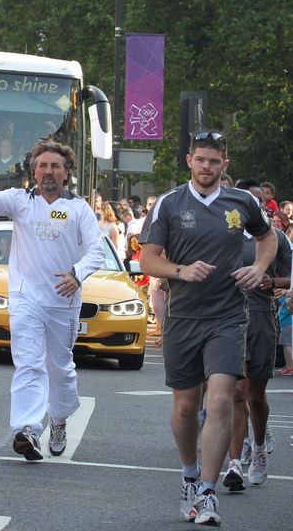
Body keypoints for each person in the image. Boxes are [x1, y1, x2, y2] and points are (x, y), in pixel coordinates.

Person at [139, 131, 276, 526]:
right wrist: (180, 270)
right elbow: (148, 260)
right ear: (189, 161)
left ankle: (208, 491)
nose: (206, 167)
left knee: (220, 400)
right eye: (200, 160)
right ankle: (188, 474)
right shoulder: (169, 203)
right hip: (184, 318)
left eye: (214, 162)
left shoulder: (242, 202)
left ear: (224, 166)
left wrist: (259, 268)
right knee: (185, 408)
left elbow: (268, 239)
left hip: (228, 316)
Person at [0, 139, 104, 461]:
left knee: (61, 367)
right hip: (25, 296)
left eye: (55, 166)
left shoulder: (78, 208)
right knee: (29, 362)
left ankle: (59, 418)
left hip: (63, 300)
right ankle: (27, 428)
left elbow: (96, 250)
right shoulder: (19, 201)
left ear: (66, 173)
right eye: (42, 166)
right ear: (33, 172)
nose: (48, 172)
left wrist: (77, 273)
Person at [222, 178, 291, 492]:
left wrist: (273, 281)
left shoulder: (275, 238)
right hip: (228, 319)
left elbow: (290, 277)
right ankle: (234, 464)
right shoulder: (225, 235)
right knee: (236, 393)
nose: (256, 205)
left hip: (262, 318)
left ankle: (259, 447)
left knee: (255, 397)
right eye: (249, 199)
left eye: (261, 201)